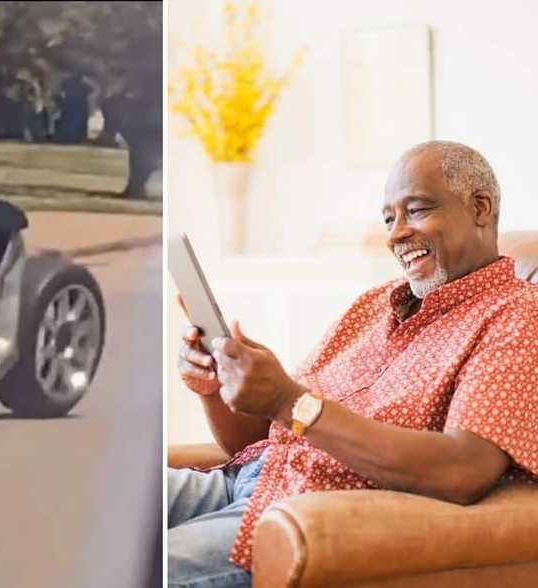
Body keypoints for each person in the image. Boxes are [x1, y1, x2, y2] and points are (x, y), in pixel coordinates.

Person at [169, 141, 538, 588]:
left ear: (480, 208)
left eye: (416, 210)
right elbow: (265, 437)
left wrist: (291, 401)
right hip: (241, 483)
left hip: (299, 517)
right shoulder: (371, 307)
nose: (395, 234)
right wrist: (220, 387)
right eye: (389, 218)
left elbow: (464, 469)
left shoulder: (516, 317)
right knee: (78, 501)